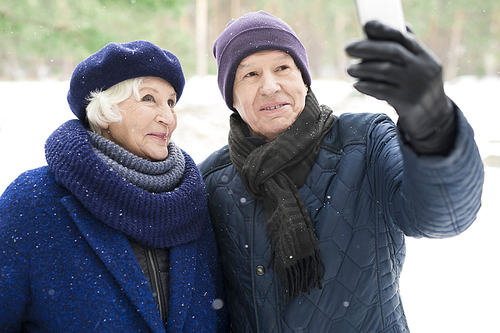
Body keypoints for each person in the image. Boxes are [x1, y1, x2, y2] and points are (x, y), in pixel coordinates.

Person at [198, 10, 484, 333]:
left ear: (304, 79)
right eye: (249, 75)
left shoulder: (365, 143)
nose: (270, 86)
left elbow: (444, 214)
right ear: (230, 96)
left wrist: (431, 118)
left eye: (282, 67)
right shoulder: (211, 182)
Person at [0, 40, 228, 332]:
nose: (168, 117)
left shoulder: (190, 198)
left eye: (171, 102)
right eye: (149, 99)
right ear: (105, 112)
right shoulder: (32, 200)